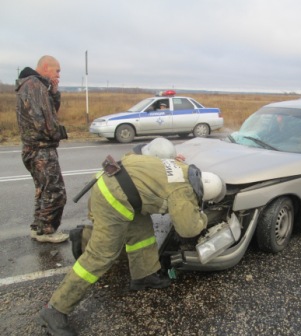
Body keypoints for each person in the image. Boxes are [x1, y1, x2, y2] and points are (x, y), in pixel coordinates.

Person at [39, 138, 225, 335]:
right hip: (112, 197)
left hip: (121, 186)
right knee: (102, 255)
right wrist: (202, 218)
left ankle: (144, 276)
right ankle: (55, 309)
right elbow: (188, 229)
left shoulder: (181, 167)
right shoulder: (183, 191)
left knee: (142, 234)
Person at [15, 55, 69, 243]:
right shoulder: (34, 85)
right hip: (41, 149)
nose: (59, 75)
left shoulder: (36, 86)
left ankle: (38, 228)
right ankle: (47, 231)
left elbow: (50, 111)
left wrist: (54, 92)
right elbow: (43, 121)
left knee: (43, 190)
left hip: (35, 148)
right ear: (46, 67)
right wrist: (57, 133)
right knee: (55, 191)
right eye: (57, 70)